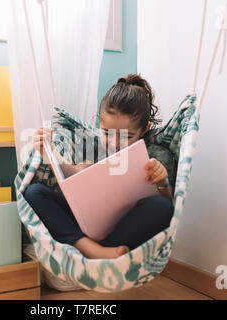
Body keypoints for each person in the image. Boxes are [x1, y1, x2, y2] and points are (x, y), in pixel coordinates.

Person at [24, 74, 175, 259]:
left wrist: (162, 182)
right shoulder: (95, 149)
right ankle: (89, 248)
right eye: (107, 133)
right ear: (99, 123)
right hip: (85, 225)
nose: (115, 143)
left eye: (127, 136)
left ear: (145, 129)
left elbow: (170, 202)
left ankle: (101, 249)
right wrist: (50, 154)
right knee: (34, 193)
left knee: (162, 206)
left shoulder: (156, 155)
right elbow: (73, 175)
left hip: (127, 229)